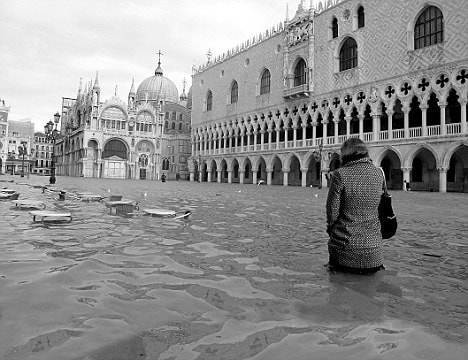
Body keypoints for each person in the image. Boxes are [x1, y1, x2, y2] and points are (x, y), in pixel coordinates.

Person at [326, 138, 385, 274]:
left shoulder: (340, 174)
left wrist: (331, 230)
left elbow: (332, 212)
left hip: (344, 250)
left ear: (345, 153)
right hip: (374, 252)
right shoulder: (379, 174)